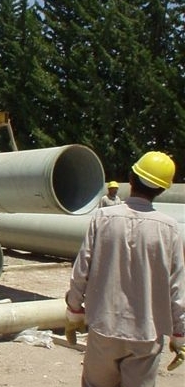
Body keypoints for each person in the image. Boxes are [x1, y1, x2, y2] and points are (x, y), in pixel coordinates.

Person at [65, 151, 185, 386]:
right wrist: (179, 334)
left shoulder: (103, 218)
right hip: (147, 334)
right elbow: (177, 287)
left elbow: (81, 271)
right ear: (162, 189)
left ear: (130, 179)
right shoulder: (170, 229)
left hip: (104, 328)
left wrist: (74, 310)